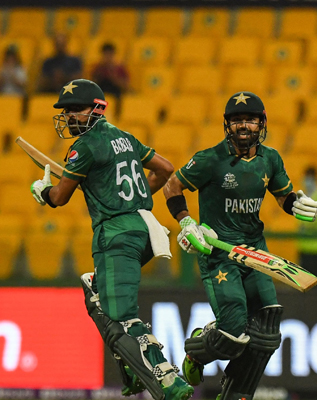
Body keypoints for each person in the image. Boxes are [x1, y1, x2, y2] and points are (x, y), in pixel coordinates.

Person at [28, 79, 194, 400]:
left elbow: (61, 197)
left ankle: (167, 378)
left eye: (76, 109)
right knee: (97, 294)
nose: (70, 116)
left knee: (121, 318)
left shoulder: (85, 146)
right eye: (67, 111)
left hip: (115, 235)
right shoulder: (126, 138)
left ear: (98, 108)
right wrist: (139, 195)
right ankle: (131, 369)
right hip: (145, 228)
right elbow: (166, 169)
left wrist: (42, 192)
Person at [162, 91, 317, 400]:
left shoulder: (271, 158)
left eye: (250, 119)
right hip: (219, 253)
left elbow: (281, 194)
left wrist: (294, 202)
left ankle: (236, 394)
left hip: (254, 252)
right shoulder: (210, 159)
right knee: (234, 336)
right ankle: (197, 350)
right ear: (227, 125)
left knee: (268, 328)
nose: (244, 126)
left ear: (262, 123)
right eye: (237, 121)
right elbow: (172, 185)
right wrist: (186, 221)